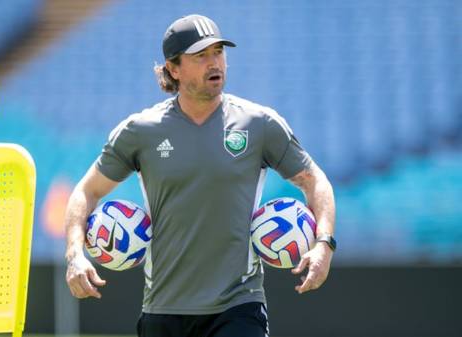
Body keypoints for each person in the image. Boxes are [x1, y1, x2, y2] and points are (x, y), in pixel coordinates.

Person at [63, 14, 336, 337]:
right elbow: (85, 192)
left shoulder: (259, 124)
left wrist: (324, 244)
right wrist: (75, 255)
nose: (214, 63)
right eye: (201, 55)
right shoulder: (140, 130)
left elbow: (314, 180)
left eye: (218, 52)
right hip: (162, 309)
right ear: (173, 69)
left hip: (239, 306)